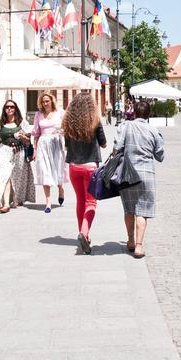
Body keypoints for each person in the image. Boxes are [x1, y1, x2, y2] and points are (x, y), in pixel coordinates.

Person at [116, 100, 165, 259]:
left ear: (134, 113)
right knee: (142, 212)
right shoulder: (153, 131)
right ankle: (138, 246)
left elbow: (117, 147)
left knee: (129, 209)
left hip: (128, 174)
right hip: (147, 175)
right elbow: (160, 156)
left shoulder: (125, 126)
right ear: (148, 114)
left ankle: (130, 240)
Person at [63, 93, 106, 255]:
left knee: (80, 200)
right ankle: (84, 232)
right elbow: (103, 143)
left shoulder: (68, 122)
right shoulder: (94, 120)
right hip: (90, 167)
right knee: (91, 202)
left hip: (74, 166)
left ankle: (84, 234)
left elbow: (66, 145)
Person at [0, 100, 35, 214]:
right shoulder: (0, 123)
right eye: (7, 107)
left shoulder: (21, 122)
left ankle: (15, 198)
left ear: (15, 109)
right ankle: (6, 204)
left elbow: (28, 140)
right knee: (6, 176)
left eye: (12, 107)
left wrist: (23, 137)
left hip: (18, 151)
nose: (9, 109)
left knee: (17, 175)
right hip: (4, 150)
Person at [32, 92, 67, 214]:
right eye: (43, 101)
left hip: (56, 144)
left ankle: (60, 188)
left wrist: (60, 131)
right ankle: (48, 202)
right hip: (43, 144)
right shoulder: (38, 115)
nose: (45, 103)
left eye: (47, 101)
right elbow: (36, 134)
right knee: (44, 171)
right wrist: (35, 150)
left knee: (57, 169)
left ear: (52, 101)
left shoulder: (60, 113)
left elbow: (67, 127)